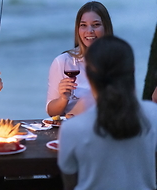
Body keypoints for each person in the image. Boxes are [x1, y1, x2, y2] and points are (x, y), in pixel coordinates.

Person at [58, 35, 157, 190]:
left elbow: (70, 185)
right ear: (132, 71)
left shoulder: (72, 129)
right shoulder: (152, 115)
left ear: (89, 76)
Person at [46, 1, 114, 117]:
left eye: (96, 25)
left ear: (106, 28)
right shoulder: (63, 62)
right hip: (73, 129)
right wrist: (63, 98)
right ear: (78, 29)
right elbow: (51, 113)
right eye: (83, 25)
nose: (89, 31)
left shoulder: (117, 61)